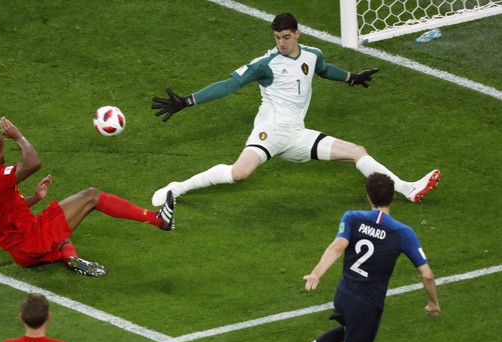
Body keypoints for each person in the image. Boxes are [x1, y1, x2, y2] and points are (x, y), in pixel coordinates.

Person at [150, 12, 440, 207]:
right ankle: (177, 188)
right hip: (271, 132)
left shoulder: (313, 55)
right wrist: (187, 101)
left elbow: (324, 70)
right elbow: (229, 85)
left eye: (286, 37)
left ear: (297, 33)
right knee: (239, 174)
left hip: (297, 135)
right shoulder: (265, 64)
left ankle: (407, 188)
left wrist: (352, 77)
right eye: (277, 38)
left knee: (356, 152)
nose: (281, 43)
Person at [280, 173, 441, 342]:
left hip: (344, 293)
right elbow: (427, 274)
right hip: (367, 304)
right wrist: (433, 304)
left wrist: (316, 273)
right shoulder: (403, 232)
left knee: (347, 329)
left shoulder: (352, 217)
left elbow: (337, 247)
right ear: (393, 197)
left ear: (368, 197)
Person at [0, 117, 175, 277]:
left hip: (20, 255)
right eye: (2, 150)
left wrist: (36, 197)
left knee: (61, 237)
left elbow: (3, 211)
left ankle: (70, 259)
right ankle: (158, 219)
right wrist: (18, 136)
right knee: (91, 196)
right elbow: (33, 163)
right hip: (31, 240)